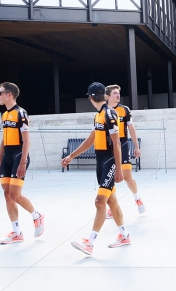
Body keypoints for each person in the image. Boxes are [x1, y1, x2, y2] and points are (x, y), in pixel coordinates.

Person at [62, 82, 129, 255]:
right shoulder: (99, 116)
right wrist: (71, 156)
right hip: (101, 162)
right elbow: (91, 140)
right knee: (111, 201)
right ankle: (124, 235)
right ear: (104, 95)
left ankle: (90, 243)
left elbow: (116, 142)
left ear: (90, 98)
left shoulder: (109, 113)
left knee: (100, 201)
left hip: (110, 161)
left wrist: (118, 168)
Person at [0, 82, 45, 244]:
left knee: (15, 195)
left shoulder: (21, 113)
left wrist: (23, 162)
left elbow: (27, 139)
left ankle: (36, 216)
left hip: (18, 156)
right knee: (7, 195)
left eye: (0, 93)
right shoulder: (4, 115)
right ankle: (17, 232)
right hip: (7, 156)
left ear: (9, 95)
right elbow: (4, 139)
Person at [105, 84, 145, 215]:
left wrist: (136, 147)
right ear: (108, 96)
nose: (118, 95)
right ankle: (112, 207)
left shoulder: (124, 110)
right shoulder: (103, 111)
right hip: (108, 146)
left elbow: (131, 129)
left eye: (118, 93)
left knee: (127, 177)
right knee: (109, 180)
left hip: (122, 144)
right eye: (115, 93)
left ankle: (138, 198)